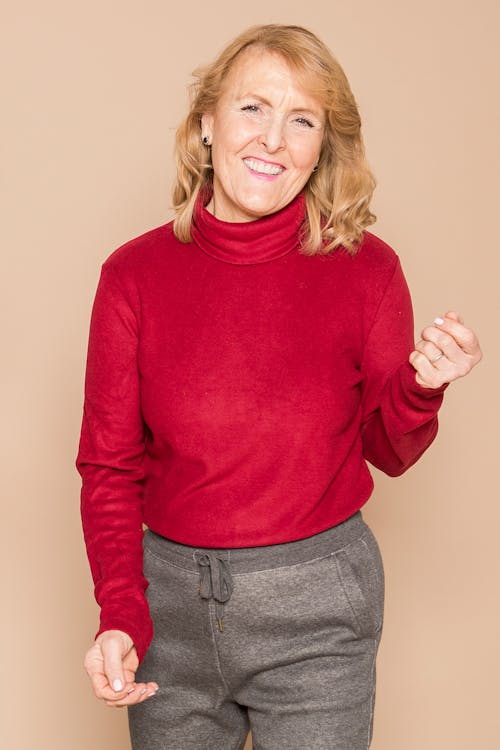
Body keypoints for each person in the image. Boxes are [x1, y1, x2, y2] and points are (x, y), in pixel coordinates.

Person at [76, 23, 482, 750]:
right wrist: (121, 613)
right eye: (253, 108)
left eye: (302, 121)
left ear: (323, 146)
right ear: (207, 123)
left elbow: (388, 451)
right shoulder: (132, 277)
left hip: (318, 609)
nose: (273, 141)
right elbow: (109, 467)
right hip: (167, 613)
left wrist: (421, 387)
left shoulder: (368, 271)